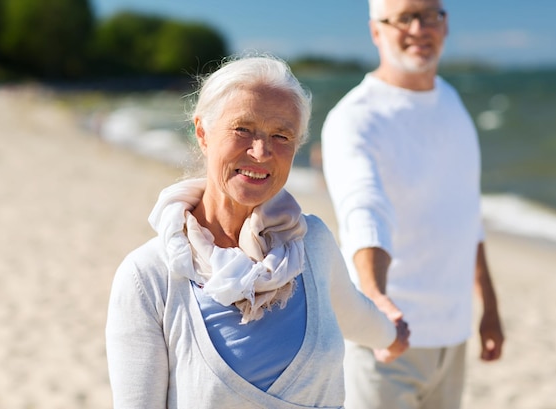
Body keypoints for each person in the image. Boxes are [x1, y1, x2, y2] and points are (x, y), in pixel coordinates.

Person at [105, 54, 409, 409]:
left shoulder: (311, 243)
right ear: (203, 133)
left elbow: (351, 311)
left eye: (281, 135)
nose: (261, 152)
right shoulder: (148, 277)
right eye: (243, 129)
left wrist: (391, 334)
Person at [321, 0, 504, 408]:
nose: (419, 28)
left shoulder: (452, 103)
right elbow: (363, 210)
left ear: (446, 24)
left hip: (453, 334)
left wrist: (488, 306)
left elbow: (466, 213)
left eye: (430, 15)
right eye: (404, 17)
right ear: (375, 31)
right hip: (386, 337)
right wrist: (375, 299)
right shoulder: (354, 117)